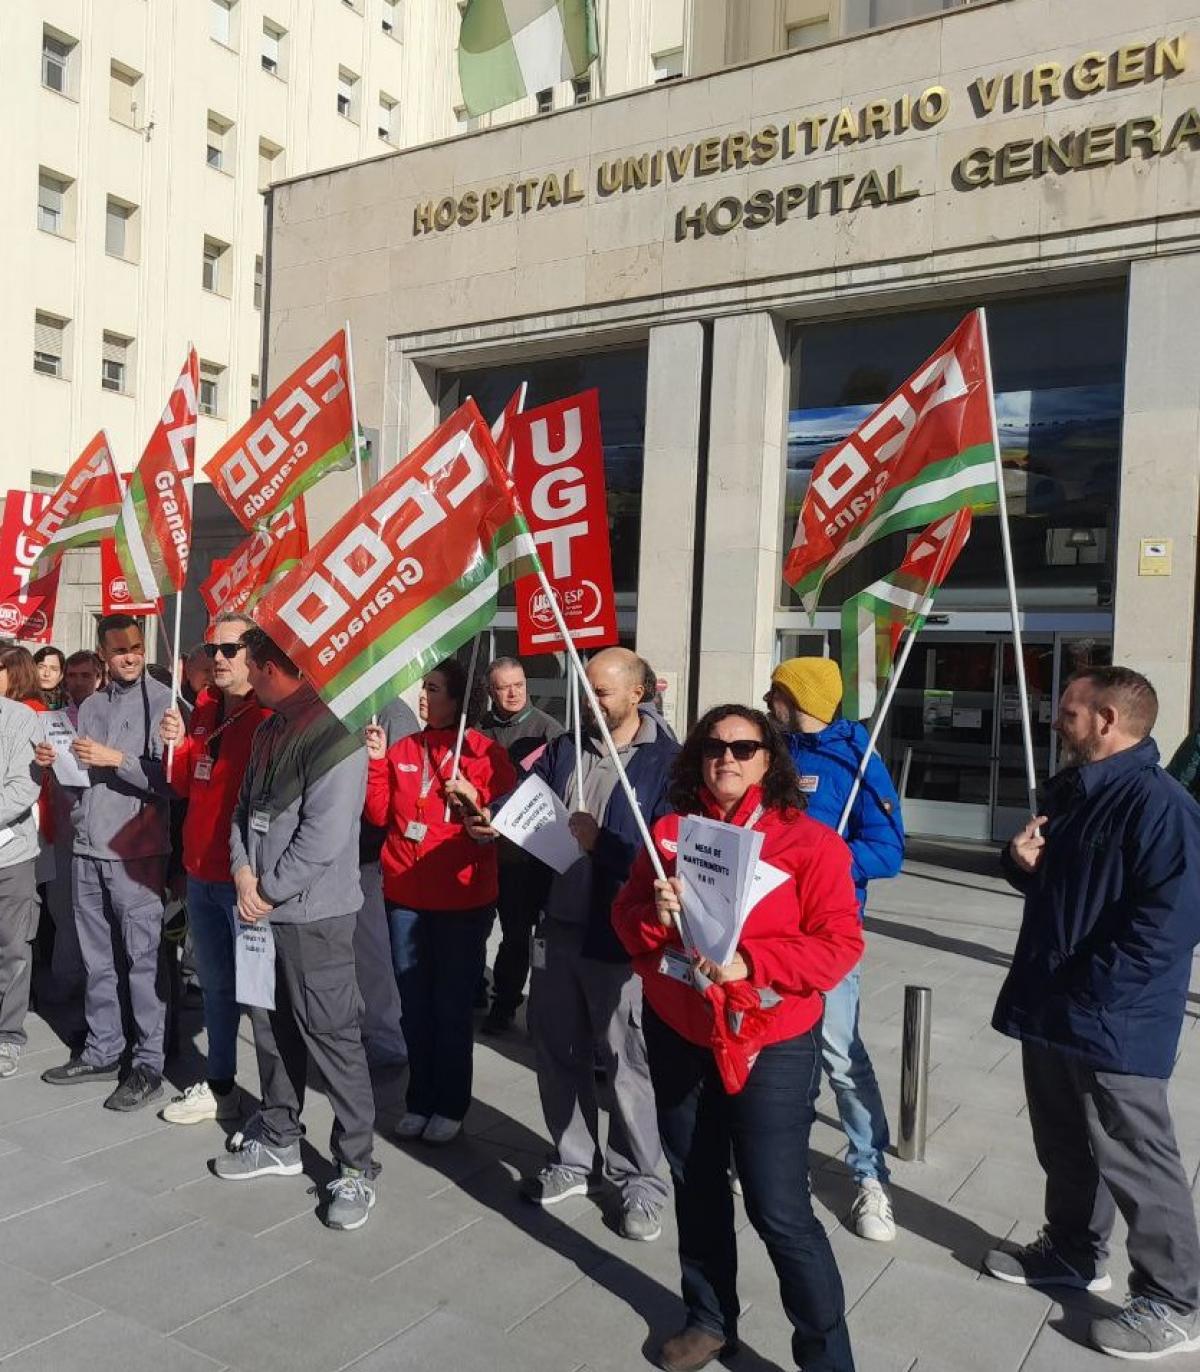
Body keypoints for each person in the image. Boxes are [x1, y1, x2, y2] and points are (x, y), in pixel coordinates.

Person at [613, 704, 862, 1372]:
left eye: (745, 747)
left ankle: (826, 1355)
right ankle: (708, 1317)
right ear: (696, 757)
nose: (728, 758)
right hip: (680, 1028)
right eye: (714, 747)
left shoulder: (810, 843)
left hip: (770, 1039)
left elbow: (840, 947)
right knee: (694, 1182)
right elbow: (626, 918)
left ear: (769, 760)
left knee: (777, 1206)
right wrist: (653, 915)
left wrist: (755, 961)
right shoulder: (667, 831)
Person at [983, 667, 1200, 1360]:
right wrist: (1020, 862)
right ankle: (1074, 1250)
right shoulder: (1074, 792)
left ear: (1107, 720)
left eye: (1068, 712)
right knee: (1064, 1142)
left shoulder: (1162, 805)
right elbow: (1054, 884)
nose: (1056, 719)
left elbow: (1168, 925)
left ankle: (1174, 1300)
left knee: (1137, 1157)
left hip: (1114, 1017)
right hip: (1052, 1003)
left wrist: (1095, 991)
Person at [507, 646, 675, 1242]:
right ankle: (575, 1161)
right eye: (586, 689)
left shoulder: (665, 764)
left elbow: (662, 859)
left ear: (638, 693)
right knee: (555, 1050)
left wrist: (601, 842)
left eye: (602, 692)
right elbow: (531, 810)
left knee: (626, 1063)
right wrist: (491, 817)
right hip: (556, 926)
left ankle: (642, 1183)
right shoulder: (565, 746)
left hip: (617, 937)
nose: (590, 701)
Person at [214, 627, 377, 1232]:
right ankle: (281, 1135)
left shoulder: (336, 734)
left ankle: (355, 1166)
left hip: (312, 916)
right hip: (261, 908)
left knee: (332, 1035)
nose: (236, 671)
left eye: (244, 662)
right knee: (269, 1024)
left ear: (270, 667)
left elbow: (324, 837)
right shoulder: (267, 727)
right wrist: (241, 872)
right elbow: (240, 810)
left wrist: (267, 890)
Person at [765, 658, 903, 1243]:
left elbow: (889, 851)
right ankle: (774, 1156)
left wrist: (825, 864)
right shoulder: (770, 753)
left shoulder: (859, 759)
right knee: (773, 1052)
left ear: (797, 697)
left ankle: (871, 1176)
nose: (766, 700)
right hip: (768, 933)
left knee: (840, 1055)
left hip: (826, 934)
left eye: (775, 691)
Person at [365, 658, 516, 1144]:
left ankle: (450, 1103)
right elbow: (379, 813)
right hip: (405, 896)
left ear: (460, 698)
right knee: (414, 1004)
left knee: (450, 1008)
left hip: (462, 901)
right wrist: (374, 761)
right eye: (423, 688)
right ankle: (419, 1098)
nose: (424, 697)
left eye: (434, 689)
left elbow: (502, 825)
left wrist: (475, 799)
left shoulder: (485, 753)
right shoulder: (404, 747)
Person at [38, 615, 173, 1111]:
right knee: (97, 960)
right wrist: (57, 764)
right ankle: (102, 1049)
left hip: (136, 853)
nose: (130, 656)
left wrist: (116, 759)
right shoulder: (90, 705)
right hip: (87, 846)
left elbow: (171, 781)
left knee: (141, 960)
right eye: (119, 651)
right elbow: (80, 774)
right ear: (103, 655)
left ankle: (148, 1062)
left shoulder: (163, 703)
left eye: (136, 647)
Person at [157, 612, 269, 1126]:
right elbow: (183, 784)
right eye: (212, 649)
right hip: (200, 873)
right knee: (218, 988)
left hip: (246, 883)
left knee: (263, 1002)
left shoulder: (269, 715)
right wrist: (176, 744)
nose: (217, 659)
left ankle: (279, 1110)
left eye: (229, 650)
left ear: (252, 654)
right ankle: (222, 1085)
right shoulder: (202, 707)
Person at [475, 655, 563, 1035]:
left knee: (514, 935)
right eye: (504, 687)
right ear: (490, 691)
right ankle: (475, 987)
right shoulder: (476, 728)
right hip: (477, 851)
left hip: (521, 855)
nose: (513, 693)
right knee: (475, 927)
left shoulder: (549, 731)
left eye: (519, 684)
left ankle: (506, 1002)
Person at [40, 651, 102, 1021]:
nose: (78, 682)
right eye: (73, 676)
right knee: (61, 906)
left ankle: (92, 983)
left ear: (100, 676)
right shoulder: (53, 719)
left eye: (86, 675)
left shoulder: (110, 715)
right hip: (63, 829)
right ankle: (66, 978)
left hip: (100, 830)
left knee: (92, 913)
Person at [356, 695, 418, 1068]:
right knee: (352, 955)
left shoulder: (392, 712)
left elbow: (405, 788)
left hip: (371, 855)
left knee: (373, 952)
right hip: (336, 852)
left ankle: (388, 1036)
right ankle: (362, 1028)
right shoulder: (335, 705)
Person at [0, 681, 49, 1079]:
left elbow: (24, 788)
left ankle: (8, 1035)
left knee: (12, 948)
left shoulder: (21, 718)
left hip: (9, 857)